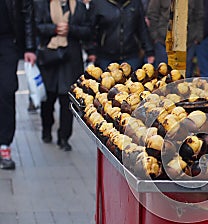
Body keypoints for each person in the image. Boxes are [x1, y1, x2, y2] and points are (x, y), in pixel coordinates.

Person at [34, 0, 92, 151]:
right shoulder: (43, 4)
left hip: (71, 59)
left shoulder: (78, 6)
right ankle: (47, 128)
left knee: (67, 100)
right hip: (50, 57)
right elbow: (36, 26)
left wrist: (70, 29)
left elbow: (88, 30)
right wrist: (54, 29)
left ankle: (64, 137)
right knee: (48, 98)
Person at [0, 0, 36, 170]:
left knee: (6, 92)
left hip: (8, 43)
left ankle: (4, 145)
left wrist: (29, 47)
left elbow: (27, 12)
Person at [87, 0, 155, 71]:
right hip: (106, 57)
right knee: (106, 81)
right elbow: (91, 29)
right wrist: (91, 51)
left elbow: (142, 28)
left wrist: (149, 51)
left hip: (131, 56)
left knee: (132, 81)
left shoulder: (135, 2)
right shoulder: (98, 3)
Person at [146, 0, 204, 77]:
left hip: (188, 42)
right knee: (163, 75)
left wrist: (198, 37)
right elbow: (152, 15)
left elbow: (200, 15)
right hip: (163, 41)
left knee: (185, 76)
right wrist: (155, 36)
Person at [195, 0, 208, 77]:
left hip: (202, 37)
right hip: (205, 34)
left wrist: (200, 36)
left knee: (205, 70)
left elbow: (207, 16)